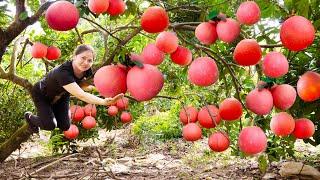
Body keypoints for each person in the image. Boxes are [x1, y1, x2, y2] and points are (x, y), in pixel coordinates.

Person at [24, 44, 123, 133]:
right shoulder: (63, 72)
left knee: (65, 126)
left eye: (90, 60)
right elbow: (81, 95)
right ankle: (29, 116)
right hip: (42, 94)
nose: (86, 63)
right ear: (74, 56)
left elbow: (83, 86)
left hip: (62, 94)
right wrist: (105, 102)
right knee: (50, 125)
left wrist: (106, 90)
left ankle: (49, 114)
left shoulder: (87, 71)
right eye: (83, 58)